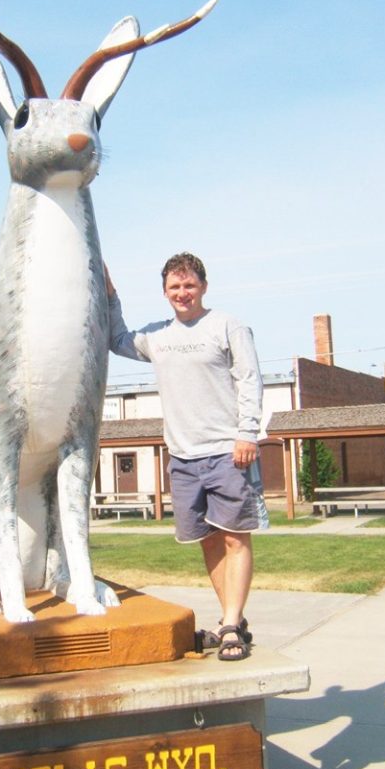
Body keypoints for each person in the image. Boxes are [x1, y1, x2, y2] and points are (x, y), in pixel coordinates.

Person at [105, 252, 267, 661]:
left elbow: (250, 379)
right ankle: (233, 622)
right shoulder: (158, 337)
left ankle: (230, 624)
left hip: (228, 451)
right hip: (183, 456)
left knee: (234, 536)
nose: (183, 293)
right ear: (165, 292)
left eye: (189, 285)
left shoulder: (228, 325)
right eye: (175, 287)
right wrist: (110, 295)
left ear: (204, 287)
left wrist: (247, 433)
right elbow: (116, 339)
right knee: (208, 541)